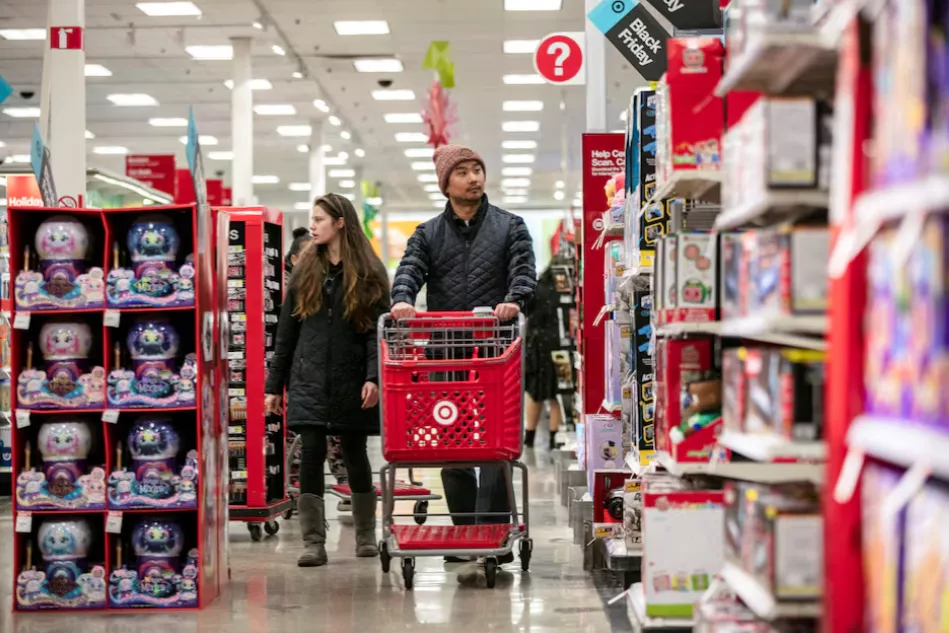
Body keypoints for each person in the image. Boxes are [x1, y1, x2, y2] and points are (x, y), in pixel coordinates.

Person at [391, 144, 537, 580]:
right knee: (452, 439)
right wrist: (402, 300)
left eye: (477, 170)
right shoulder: (428, 233)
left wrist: (514, 300)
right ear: (446, 184)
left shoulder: (510, 226)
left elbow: (524, 272)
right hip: (447, 350)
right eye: (463, 172)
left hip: (495, 351)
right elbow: (409, 269)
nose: (474, 178)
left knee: (494, 443)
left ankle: (491, 535)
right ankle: (464, 534)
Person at [266, 193, 390, 567]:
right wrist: (274, 386)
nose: (313, 225)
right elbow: (286, 334)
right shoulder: (305, 271)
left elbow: (376, 335)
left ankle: (366, 535)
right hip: (309, 379)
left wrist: (374, 378)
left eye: (319, 219)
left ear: (340, 223)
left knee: (355, 452)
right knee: (311, 453)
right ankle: (314, 542)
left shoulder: (368, 273)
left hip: (352, 378)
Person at [284, 228, 352, 513]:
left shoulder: (330, 283)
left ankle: (345, 485)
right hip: (300, 378)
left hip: (329, 378)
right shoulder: (289, 289)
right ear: (294, 259)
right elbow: (284, 338)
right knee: (302, 442)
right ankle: (297, 491)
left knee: (336, 438)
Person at [523, 262, 569, 450]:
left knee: (535, 393)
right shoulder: (567, 288)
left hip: (537, 347)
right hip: (562, 346)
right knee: (558, 393)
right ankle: (554, 438)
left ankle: (529, 436)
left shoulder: (536, 286)